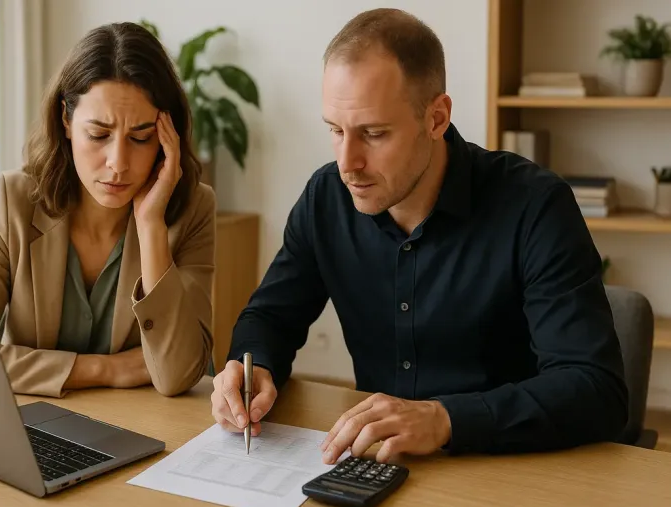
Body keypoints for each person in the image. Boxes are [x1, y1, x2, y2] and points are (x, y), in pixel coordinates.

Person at [211, 8, 628, 462]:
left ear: (436, 118)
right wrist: (252, 367)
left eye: (373, 134)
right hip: (377, 464)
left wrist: (446, 419)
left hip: (509, 467)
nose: (348, 163)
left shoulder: (535, 206)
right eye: (335, 130)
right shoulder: (326, 198)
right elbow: (270, 318)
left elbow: (594, 388)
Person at [0, 22, 215, 399]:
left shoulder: (194, 209)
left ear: (167, 136)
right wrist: (106, 370)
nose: (118, 163)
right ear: (66, 121)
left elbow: (176, 375)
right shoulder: (11, 201)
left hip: (149, 429)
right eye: (99, 135)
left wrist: (151, 225)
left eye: (140, 138)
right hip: (38, 427)